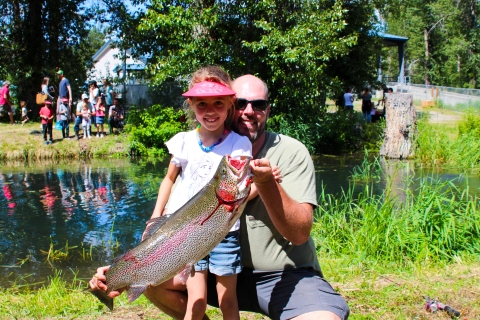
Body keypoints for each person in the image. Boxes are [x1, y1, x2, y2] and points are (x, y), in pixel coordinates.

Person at [89, 75, 350, 320]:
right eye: (242, 103)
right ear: (232, 106)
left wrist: (267, 182)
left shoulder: (291, 152)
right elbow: (169, 232)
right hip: (211, 271)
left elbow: (300, 233)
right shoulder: (195, 151)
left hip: (282, 277)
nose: (249, 111)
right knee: (153, 282)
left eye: (258, 104)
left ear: (268, 109)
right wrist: (116, 273)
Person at [148, 66, 253, 320]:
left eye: (218, 103)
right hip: (189, 234)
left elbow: (244, 185)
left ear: (230, 104)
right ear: (192, 105)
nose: (210, 111)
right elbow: (168, 179)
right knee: (197, 301)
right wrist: (155, 217)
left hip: (224, 233)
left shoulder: (238, 144)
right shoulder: (183, 141)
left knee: (228, 301)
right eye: (202, 104)